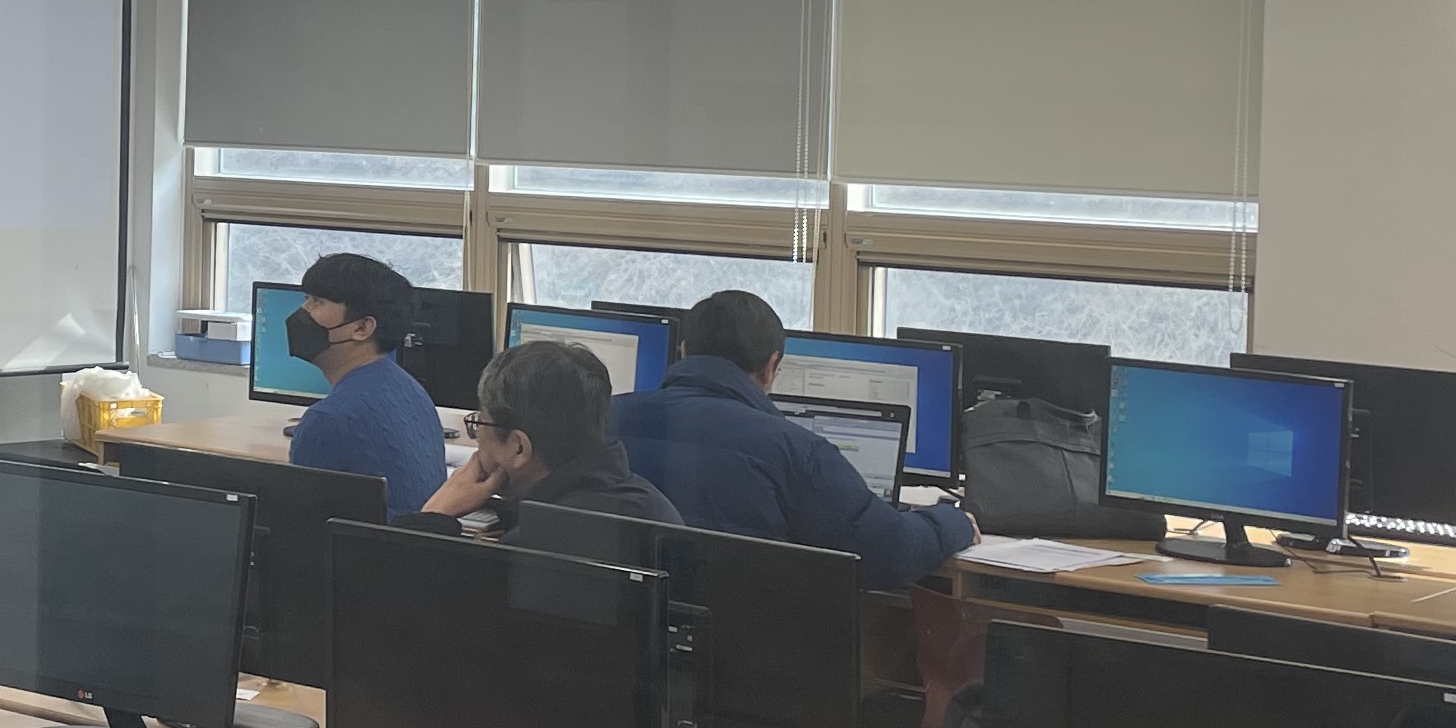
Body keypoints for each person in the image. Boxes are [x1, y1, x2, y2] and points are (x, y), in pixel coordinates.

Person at [609, 286, 977, 590]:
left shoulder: (605, 417)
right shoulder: (796, 450)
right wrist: (952, 522)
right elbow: (891, 555)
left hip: (627, 630)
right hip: (745, 642)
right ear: (772, 367)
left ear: (684, 351)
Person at [417, 339, 681, 531]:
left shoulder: (531, 547)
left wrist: (433, 515)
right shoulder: (649, 502)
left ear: (519, 448)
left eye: (479, 425)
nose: (477, 439)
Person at [279, 249, 446, 517]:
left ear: (362, 328)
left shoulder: (330, 419)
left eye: (318, 302)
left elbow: (300, 528)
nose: (303, 311)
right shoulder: (410, 389)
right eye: (306, 299)